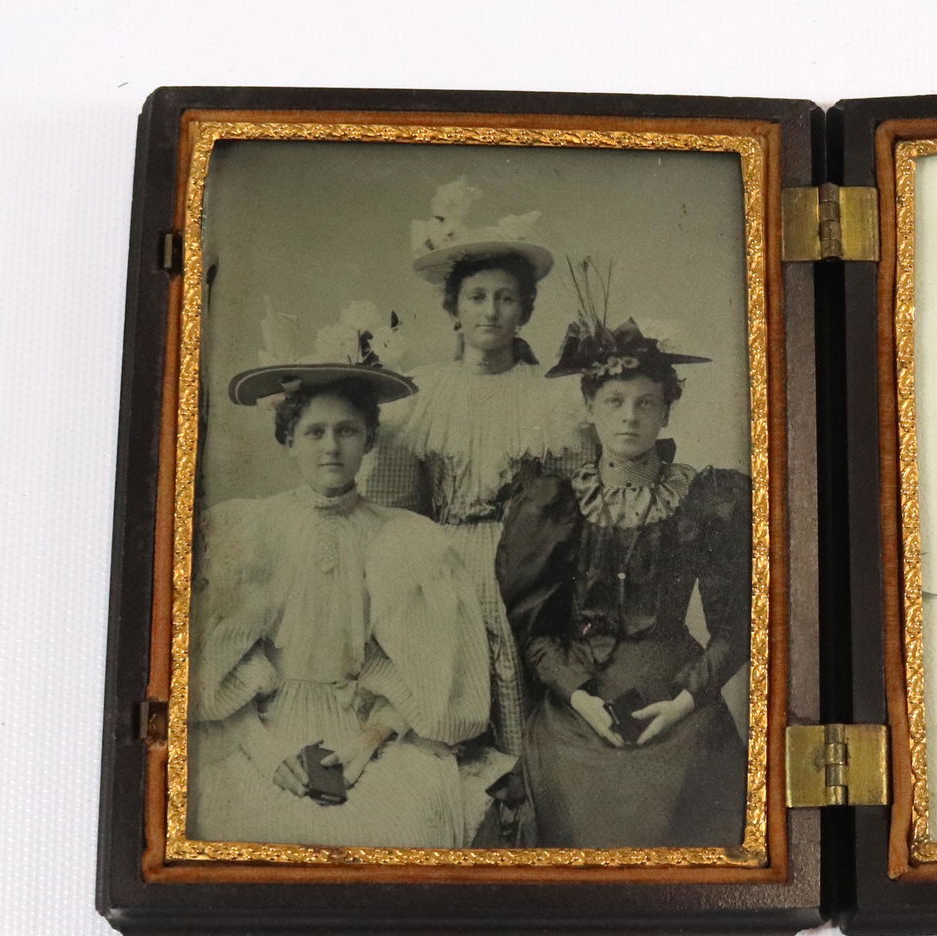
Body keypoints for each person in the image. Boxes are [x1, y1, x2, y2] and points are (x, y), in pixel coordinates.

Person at [187, 352, 515, 848]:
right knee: (241, 823)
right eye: (314, 432)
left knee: (408, 823)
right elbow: (211, 675)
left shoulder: (405, 538)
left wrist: (366, 744)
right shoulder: (251, 528)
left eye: (347, 431)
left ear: (369, 439)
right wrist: (268, 755)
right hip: (262, 729)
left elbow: (420, 676)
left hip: (367, 728)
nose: (331, 447)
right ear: (289, 440)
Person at [364, 180, 594, 795]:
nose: (491, 311)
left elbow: (579, 503)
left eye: (506, 298)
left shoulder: (552, 398)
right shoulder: (421, 394)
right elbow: (391, 507)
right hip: (441, 561)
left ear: (525, 310)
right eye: (477, 297)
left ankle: (524, 802)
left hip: (526, 564)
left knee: (525, 699)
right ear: (455, 309)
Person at [495, 302, 749, 849]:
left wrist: (686, 700)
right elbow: (536, 633)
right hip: (578, 704)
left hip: (677, 696)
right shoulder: (555, 502)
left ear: (666, 413)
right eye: (614, 402)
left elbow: (738, 626)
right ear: (590, 408)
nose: (629, 417)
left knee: (687, 802)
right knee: (571, 805)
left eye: (645, 403)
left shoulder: (706, 497)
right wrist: (579, 698)